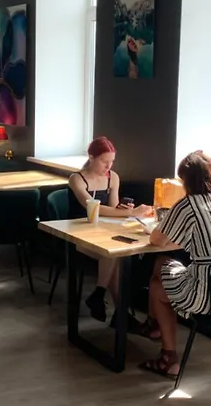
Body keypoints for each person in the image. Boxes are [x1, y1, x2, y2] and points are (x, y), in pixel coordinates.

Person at [139, 151, 211, 379]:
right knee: (161, 266)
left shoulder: (189, 204)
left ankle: (167, 355)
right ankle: (154, 326)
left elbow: (156, 240)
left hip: (206, 296)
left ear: (186, 181)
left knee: (158, 281)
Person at [68, 136, 153, 330]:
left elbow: (113, 208)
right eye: (104, 161)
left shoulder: (112, 177)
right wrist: (130, 213)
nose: (108, 166)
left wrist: (123, 209)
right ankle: (118, 312)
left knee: (115, 255)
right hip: (77, 234)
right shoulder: (77, 178)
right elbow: (92, 207)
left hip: (101, 232)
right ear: (91, 157)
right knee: (113, 254)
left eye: (111, 161)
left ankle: (105, 300)